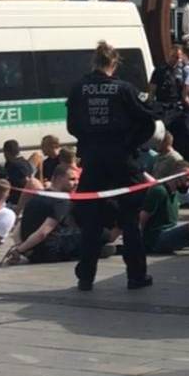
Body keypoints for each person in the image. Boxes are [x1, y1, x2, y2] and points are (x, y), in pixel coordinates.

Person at [66, 42, 163, 291]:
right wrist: (131, 143)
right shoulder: (123, 89)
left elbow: (72, 126)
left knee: (91, 220)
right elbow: (148, 119)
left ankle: (85, 276)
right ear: (114, 63)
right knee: (130, 219)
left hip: (93, 160)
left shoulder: (78, 89)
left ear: (94, 62)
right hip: (121, 159)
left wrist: (88, 141)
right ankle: (136, 275)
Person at [3, 164, 81, 265]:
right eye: (72, 179)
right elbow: (43, 232)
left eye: (77, 179)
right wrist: (19, 251)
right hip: (50, 252)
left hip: (32, 253)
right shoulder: (61, 201)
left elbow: (19, 228)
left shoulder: (36, 197)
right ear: (58, 179)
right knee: (98, 234)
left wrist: (23, 248)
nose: (76, 183)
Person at [141, 167, 189, 255]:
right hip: (157, 239)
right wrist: (137, 242)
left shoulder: (176, 192)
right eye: (188, 180)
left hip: (170, 233)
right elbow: (142, 218)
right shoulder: (159, 191)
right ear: (176, 178)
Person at [0, 139, 37, 206]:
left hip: (15, 201)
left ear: (6, 152)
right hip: (27, 199)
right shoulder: (25, 162)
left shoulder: (11, 165)